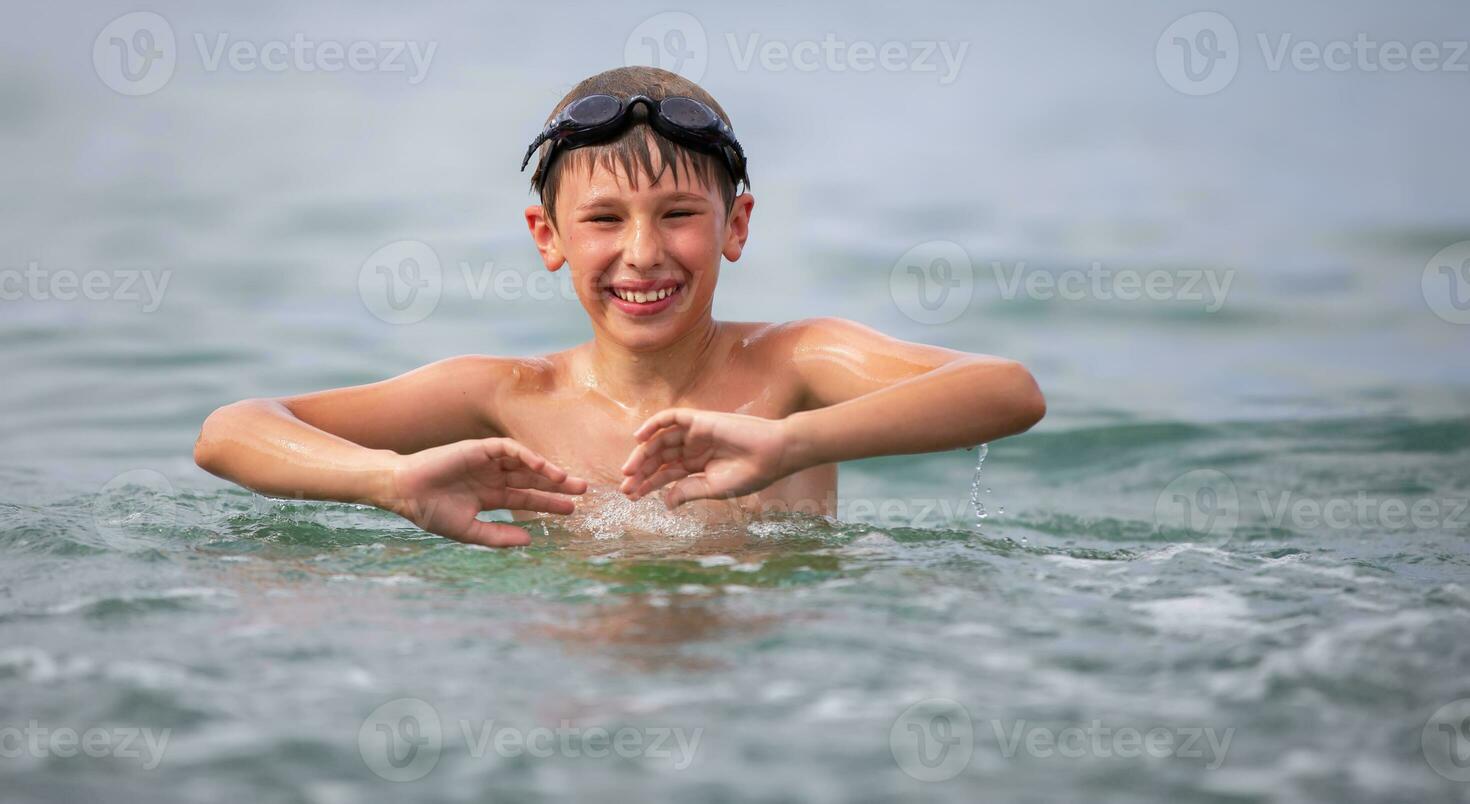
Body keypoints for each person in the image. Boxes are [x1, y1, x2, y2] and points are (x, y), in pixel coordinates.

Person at [193, 66, 1045, 548]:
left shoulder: (794, 367)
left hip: (774, 693)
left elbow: (1007, 390)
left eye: (679, 214)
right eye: (603, 220)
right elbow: (231, 431)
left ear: (735, 225)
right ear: (547, 235)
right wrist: (388, 480)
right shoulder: (507, 397)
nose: (642, 254)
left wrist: (791, 443)